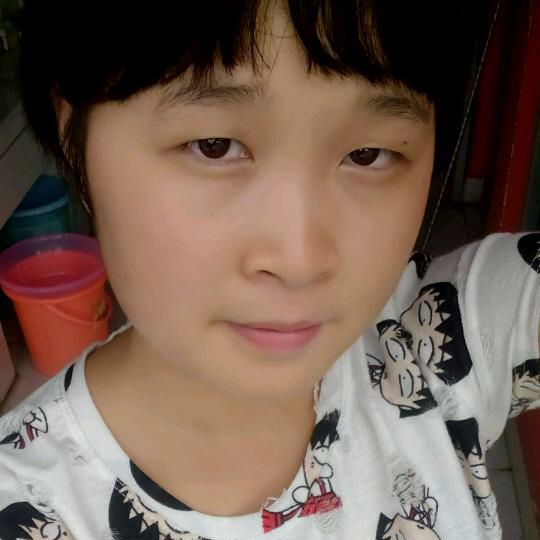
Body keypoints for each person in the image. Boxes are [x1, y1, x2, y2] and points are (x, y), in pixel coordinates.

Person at [0, 1, 538, 538]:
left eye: (368, 154)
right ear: (74, 141)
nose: (299, 260)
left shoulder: (442, 341)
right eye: (214, 147)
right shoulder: (25, 509)